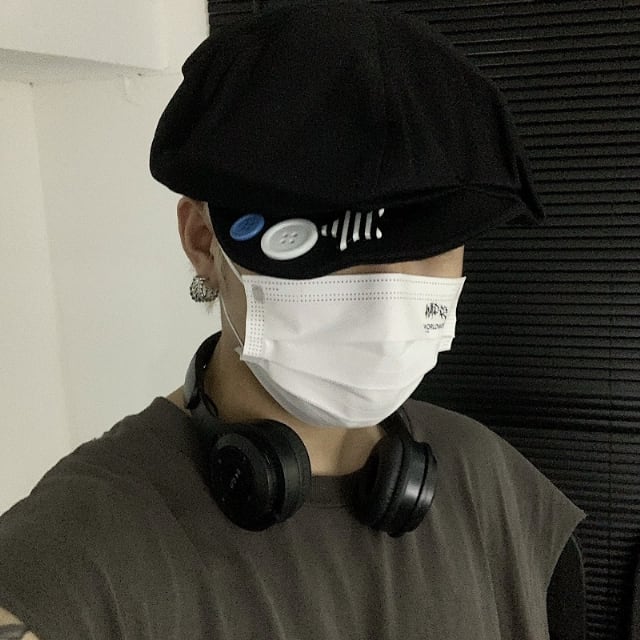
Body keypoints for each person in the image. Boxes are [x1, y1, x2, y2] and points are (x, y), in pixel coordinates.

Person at [0, 2, 585, 639]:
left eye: (429, 242)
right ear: (203, 240)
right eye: (337, 246)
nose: (387, 292)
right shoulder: (80, 554)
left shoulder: (501, 490)